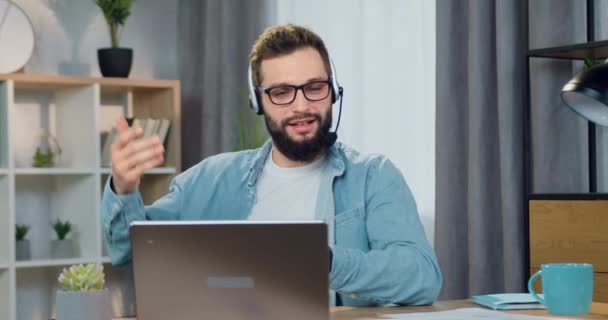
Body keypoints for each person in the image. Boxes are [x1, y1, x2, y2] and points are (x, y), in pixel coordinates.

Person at [102, 24, 442, 306]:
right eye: (281, 92)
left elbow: (421, 277)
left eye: (314, 87)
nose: (301, 105)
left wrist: (322, 261)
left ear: (333, 92)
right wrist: (124, 188)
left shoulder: (373, 176)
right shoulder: (212, 178)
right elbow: (130, 253)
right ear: (258, 101)